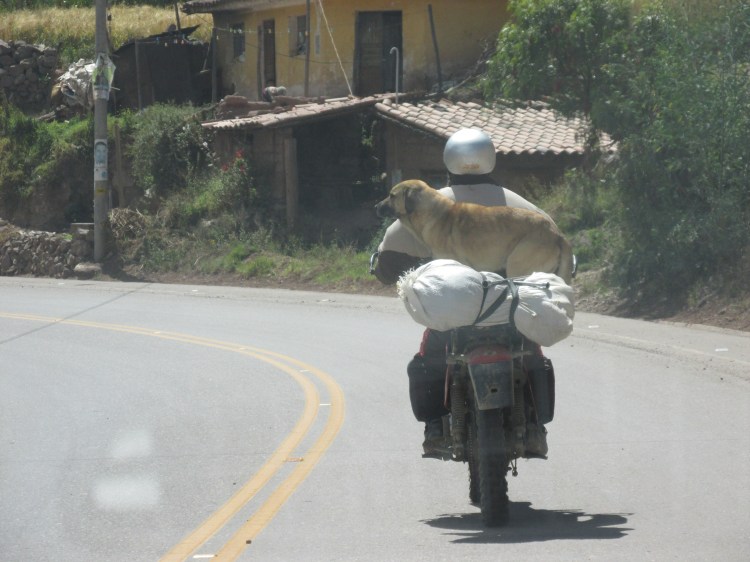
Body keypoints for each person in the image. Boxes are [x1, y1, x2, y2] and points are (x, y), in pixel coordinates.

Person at [371, 128, 554, 458]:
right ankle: (536, 428)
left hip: (454, 318)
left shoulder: (425, 209)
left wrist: (388, 268)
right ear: (491, 159)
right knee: (532, 354)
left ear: (448, 161)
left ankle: (435, 430)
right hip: (510, 313)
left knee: (429, 358)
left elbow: (388, 263)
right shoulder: (524, 209)